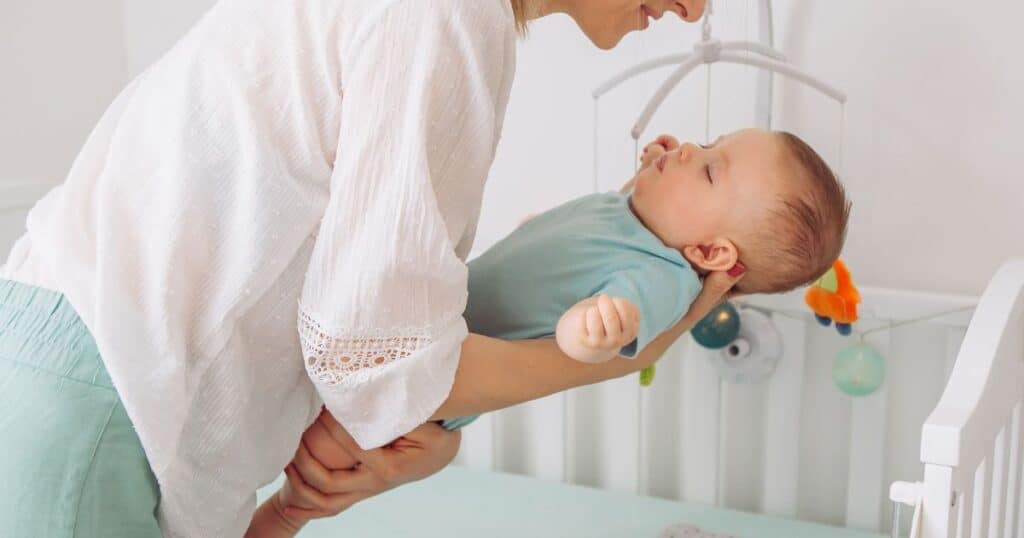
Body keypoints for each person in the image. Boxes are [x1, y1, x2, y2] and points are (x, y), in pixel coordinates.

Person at [0, 1, 740, 537]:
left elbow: (368, 332)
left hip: (85, 370)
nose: (692, 7)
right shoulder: (445, 18)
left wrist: (421, 426)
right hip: (103, 394)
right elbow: (374, 356)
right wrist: (597, 366)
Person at [281, 129, 850, 526]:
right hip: (426, 330)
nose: (688, 150)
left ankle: (279, 520)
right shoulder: (634, 216)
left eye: (707, 169)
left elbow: (598, 343)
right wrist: (653, 167)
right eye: (710, 140)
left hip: (426, 395)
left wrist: (591, 331)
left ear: (708, 250)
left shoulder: (658, 278)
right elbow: (608, 214)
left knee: (321, 456)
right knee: (302, 409)